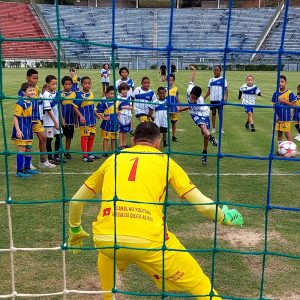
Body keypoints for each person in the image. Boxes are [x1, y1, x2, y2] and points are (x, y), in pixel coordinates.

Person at [68, 122, 244, 300]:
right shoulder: (166, 162)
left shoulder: (113, 159)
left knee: (110, 249)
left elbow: (75, 202)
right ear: (158, 143)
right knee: (201, 285)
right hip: (150, 241)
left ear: (133, 140)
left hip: (106, 240)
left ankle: (108, 296)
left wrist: (75, 230)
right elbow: (204, 206)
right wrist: (224, 217)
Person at [180, 66, 218, 165]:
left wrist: (181, 110)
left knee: (205, 135)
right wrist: (194, 70)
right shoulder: (190, 89)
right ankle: (212, 138)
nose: (192, 99)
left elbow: (189, 106)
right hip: (195, 114)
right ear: (190, 93)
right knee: (202, 126)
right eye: (192, 97)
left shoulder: (200, 101)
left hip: (203, 112)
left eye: (195, 98)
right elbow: (191, 80)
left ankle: (204, 152)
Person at [18, 69, 55, 169]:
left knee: (43, 137)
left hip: (36, 118)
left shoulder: (37, 89)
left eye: (37, 78)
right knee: (27, 142)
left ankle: (43, 161)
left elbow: (39, 104)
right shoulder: (23, 90)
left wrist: (41, 117)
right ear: (27, 77)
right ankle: (27, 163)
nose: (36, 80)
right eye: (34, 78)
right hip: (27, 119)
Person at [12, 82, 40, 178]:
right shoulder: (20, 103)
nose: (32, 92)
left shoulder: (30, 102)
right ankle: (19, 170)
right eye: (30, 90)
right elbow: (15, 117)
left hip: (28, 129)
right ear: (24, 92)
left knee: (28, 149)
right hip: (22, 129)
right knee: (22, 149)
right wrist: (18, 130)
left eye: (33, 90)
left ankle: (27, 168)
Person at [73, 76, 99, 162]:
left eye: (89, 83)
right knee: (85, 136)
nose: (87, 85)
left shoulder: (91, 93)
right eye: (85, 83)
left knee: (92, 135)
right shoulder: (80, 95)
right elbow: (75, 107)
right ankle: (85, 156)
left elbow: (92, 105)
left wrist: (96, 114)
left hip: (92, 119)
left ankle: (89, 153)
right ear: (82, 84)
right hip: (85, 120)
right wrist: (81, 116)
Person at [42, 75, 65, 165]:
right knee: (49, 139)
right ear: (47, 84)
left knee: (60, 136)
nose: (55, 86)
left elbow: (58, 106)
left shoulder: (56, 93)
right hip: (49, 122)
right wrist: (55, 122)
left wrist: (61, 118)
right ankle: (50, 157)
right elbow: (48, 110)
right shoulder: (46, 95)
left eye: (56, 84)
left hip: (57, 120)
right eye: (53, 84)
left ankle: (56, 156)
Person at [271, 75, 296, 148]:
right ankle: (280, 149)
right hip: (278, 117)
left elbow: (293, 105)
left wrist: (284, 101)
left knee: (287, 133)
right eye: (279, 82)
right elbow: (274, 105)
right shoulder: (275, 93)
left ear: (285, 83)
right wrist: (275, 114)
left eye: (282, 82)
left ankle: (292, 150)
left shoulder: (289, 93)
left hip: (286, 117)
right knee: (279, 133)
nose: (280, 83)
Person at [203, 65, 228, 134]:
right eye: (215, 70)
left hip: (220, 100)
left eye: (217, 70)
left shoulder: (223, 79)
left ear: (220, 71)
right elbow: (209, 91)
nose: (216, 71)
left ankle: (221, 128)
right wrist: (204, 98)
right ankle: (213, 128)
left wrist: (226, 98)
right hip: (213, 100)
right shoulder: (211, 80)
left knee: (220, 114)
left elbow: (226, 89)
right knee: (213, 114)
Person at [96, 86, 120, 156]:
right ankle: (105, 152)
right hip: (107, 124)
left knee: (114, 138)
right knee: (106, 138)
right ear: (106, 94)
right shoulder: (105, 103)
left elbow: (119, 109)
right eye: (111, 93)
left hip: (115, 123)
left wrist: (118, 115)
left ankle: (114, 151)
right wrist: (103, 117)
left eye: (114, 94)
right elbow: (98, 111)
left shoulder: (117, 101)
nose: (112, 95)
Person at [61, 76, 77, 160]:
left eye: (69, 84)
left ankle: (67, 152)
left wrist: (76, 119)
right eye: (66, 84)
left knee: (69, 137)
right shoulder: (60, 94)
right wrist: (61, 118)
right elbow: (58, 107)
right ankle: (59, 151)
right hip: (61, 119)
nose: (68, 86)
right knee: (59, 136)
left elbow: (76, 107)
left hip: (70, 119)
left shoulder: (74, 94)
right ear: (63, 85)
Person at [117, 82, 132, 149]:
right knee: (121, 131)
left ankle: (124, 143)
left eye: (126, 89)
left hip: (128, 116)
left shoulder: (129, 97)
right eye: (123, 89)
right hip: (121, 115)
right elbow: (116, 107)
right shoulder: (118, 98)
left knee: (125, 130)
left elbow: (131, 107)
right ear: (120, 90)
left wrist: (130, 109)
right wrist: (124, 107)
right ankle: (121, 145)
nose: (125, 91)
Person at [166, 74, 180, 142]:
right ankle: (164, 136)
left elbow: (177, 98)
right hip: (167, 107)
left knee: (174, 122)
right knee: (165, 122)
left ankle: (173, 136)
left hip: (174, 108)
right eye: (169, 80)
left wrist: (179, 106)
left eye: (172, 80)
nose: (170, 81)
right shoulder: (165, 89)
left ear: (174, 81)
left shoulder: (176, 89)